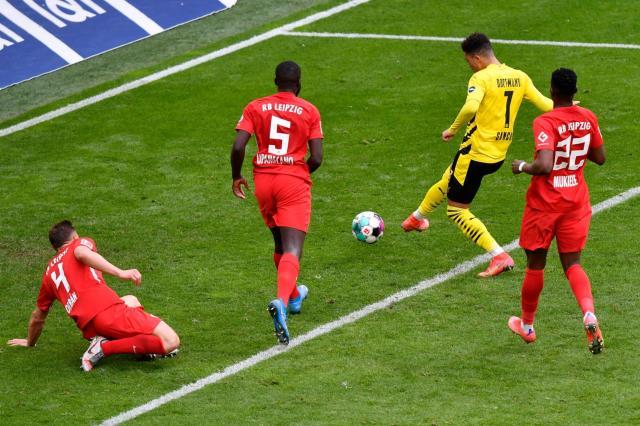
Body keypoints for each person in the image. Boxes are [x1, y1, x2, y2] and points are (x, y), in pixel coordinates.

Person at [402, 32, 554, 277]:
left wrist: (452, 129)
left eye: (468, 62)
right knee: (449, 179)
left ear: (476, 58)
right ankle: (415, 219)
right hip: (497, 155)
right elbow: (548, 105)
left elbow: (471, 106)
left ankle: (499, 256)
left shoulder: (481, 78)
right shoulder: (519, 76)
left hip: (474, 154)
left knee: (456, 211)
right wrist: (574, 110)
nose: (469, 66)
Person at [507, 68, 605, 354]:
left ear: (551, 91)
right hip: (576, 203)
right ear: (575, 91)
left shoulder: (545, 121)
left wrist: (522, 166)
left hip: (544, 205)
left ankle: (527, 326)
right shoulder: (588, 117)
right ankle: (588, 313)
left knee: (535, 264)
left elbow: (544, 165)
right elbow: (600, 157)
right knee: (573, 264)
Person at [231, 61, 323, 345]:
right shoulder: (309, 110)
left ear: (275, 81)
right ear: (299, 83)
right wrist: (298, 174)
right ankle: (281, 302)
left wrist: (236, 176)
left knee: (280, 245)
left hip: (263, 182)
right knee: (293, 249)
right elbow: (317, 157)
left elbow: (238, 146)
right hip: (291, 181)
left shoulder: (255, 106)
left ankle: (294, 297)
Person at [7, 220, 180, 370]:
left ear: (55, 248)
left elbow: (38, 316)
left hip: (91, 327)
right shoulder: (78, 244)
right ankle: (103, 348)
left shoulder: (48, 273)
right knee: (171, 341)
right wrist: (121, 272)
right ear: (74, 237)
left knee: (131, 300)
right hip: (108, 312)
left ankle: (124, 345)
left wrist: (30, 341)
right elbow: (82, 253)